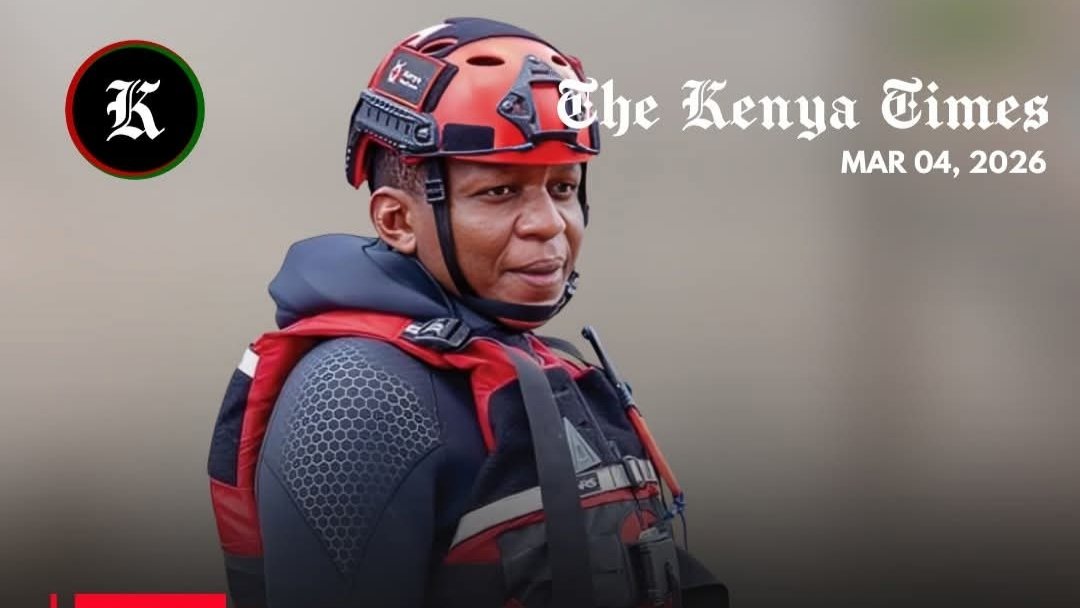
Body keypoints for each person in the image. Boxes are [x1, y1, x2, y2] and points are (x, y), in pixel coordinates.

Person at [207, 16, 727, 608]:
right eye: (500, 192)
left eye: (562, 188)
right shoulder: (355, 391)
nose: (549, 225)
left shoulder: (542, 362)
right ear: (396, 220)